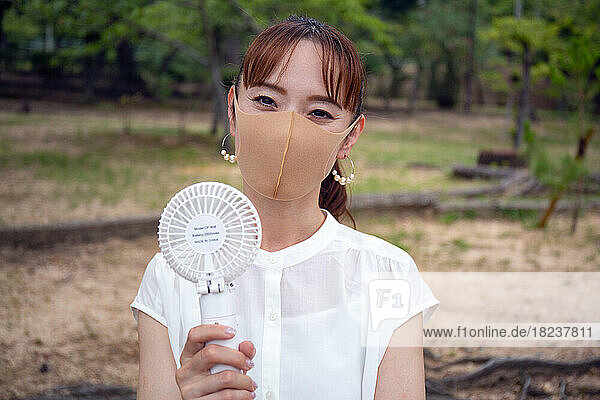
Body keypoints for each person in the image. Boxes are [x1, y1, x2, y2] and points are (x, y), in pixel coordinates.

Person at [131, 15, 440, 400]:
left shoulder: (390, 276)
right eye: (266, 101)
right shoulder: (170, 275)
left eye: (320, 113)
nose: (288, 128)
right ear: (232, 110)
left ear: (350, 137)